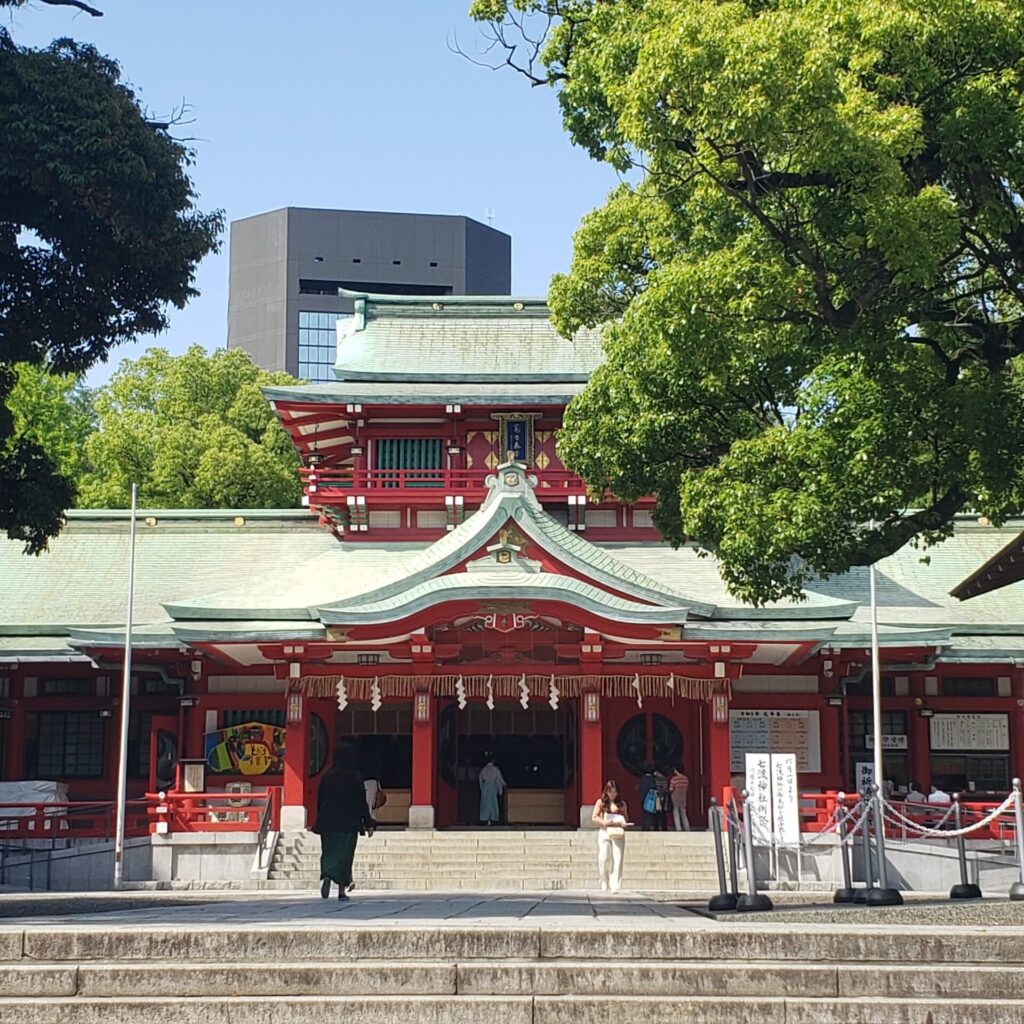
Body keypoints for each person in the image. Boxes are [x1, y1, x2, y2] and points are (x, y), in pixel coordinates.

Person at [313, 746, 373, 900]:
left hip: (329, 821)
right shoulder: (354, 777)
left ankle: (327, 876)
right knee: (345, 855)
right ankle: (341, 890)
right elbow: (361, 802)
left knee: (329, 852)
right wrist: (368, 822)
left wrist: (318, 819)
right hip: (348, 822)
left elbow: (319, 800)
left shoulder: (327, 776)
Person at [592, 779, 628, 892]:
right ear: (606, 791)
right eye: (610, 791)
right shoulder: (601, 802)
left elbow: (626, 817)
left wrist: (623, 822)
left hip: (617, 831)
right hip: (605, 831)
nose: (613, 794)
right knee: (604, 856)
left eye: (615, 792)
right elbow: (594, 816)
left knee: (618, 858)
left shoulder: (621, 804)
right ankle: (604, 879)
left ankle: (615, 884)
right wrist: (604, 822)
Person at [478, 755, 506, 825]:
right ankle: (493, 817)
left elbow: (480, 779)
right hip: (492, 786)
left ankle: (485, 817)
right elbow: (500, 778)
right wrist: (504, 785)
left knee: (485, 802)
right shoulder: (495, 769)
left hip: (485, 786)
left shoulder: (484, 769)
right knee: (493, 802)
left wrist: (482, 788)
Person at [668, 764, 690, 831]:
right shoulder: (686, 779)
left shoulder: (674, 779)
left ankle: (678, 829)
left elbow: (671, 789)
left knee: (676, 813)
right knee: (684, 814)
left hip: (675, 797)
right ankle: (687, 828)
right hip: (683, 797)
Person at [639, 763, 658, 831]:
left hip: (643, 798)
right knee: (650, 815)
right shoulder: (653, 779)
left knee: (645, 814)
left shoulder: (642, 779)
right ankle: (649, 827)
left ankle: (645, 827)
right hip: (650, 799)